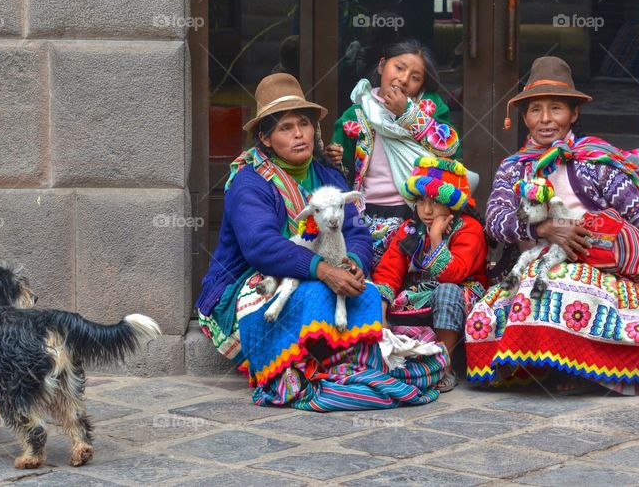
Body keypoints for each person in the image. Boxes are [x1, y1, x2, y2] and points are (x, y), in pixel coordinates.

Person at [195, 73, 445, 410]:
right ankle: (311, 366)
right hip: (249, 282)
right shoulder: (249, 182)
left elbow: (355, 229)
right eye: (285, 128)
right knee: (313, 292)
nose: (299, 134)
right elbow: (261, 246)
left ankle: (351, 364)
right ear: (266, 139)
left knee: (365, 290)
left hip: (318, 267)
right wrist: (324, 270)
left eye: (304, 124)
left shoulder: (327, 174)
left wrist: (353, 262)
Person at [466, 56, 639, 396]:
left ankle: (577, 368)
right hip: (533, 270)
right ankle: (554, 366)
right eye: (535, 110)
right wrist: (542, 229)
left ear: (574, 114)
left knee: (568, 285)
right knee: (507, 304)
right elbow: (495, 223)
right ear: (524, 117)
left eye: (556, 108)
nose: (545, 120)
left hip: (601, 275)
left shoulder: (596, 163)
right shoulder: (513, 168)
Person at [325, 39, 462, 266]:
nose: (404, 79)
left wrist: (407, 113)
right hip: (365, 213)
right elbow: (343, 174)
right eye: (399, 68)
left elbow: (450, 149)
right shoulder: (357, 114)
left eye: (416, 78)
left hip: (415, 212)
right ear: (381, 66)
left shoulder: (429, 106)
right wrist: (335, 158)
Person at [373, 157, 487, 393]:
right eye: (421, 201)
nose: (426, 210)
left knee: (446, 292)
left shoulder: (469, 229)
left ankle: (444, 366)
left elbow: (453, 275)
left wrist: (435, 238)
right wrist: (381, 308)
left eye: (435, 202)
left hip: (459, 294)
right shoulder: (410, 229)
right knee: (373, 294)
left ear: (452, 204)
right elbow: (389, 269)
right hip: (420, 296)